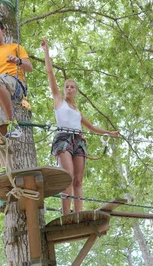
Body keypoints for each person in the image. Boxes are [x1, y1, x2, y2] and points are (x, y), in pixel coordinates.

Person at [41, 38, 119, 215]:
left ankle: (78, 214)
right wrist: (46, 51)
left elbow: (91, 127)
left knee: (78, 181)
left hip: (78, 140)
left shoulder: (76, 110)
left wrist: (109, 133)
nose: (69, 89)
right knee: (67, 177)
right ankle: (66, 215)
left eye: (72, 87)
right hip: (63, 139)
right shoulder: (59, 101)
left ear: (76, 91)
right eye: (67, 87)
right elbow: (50, 72)